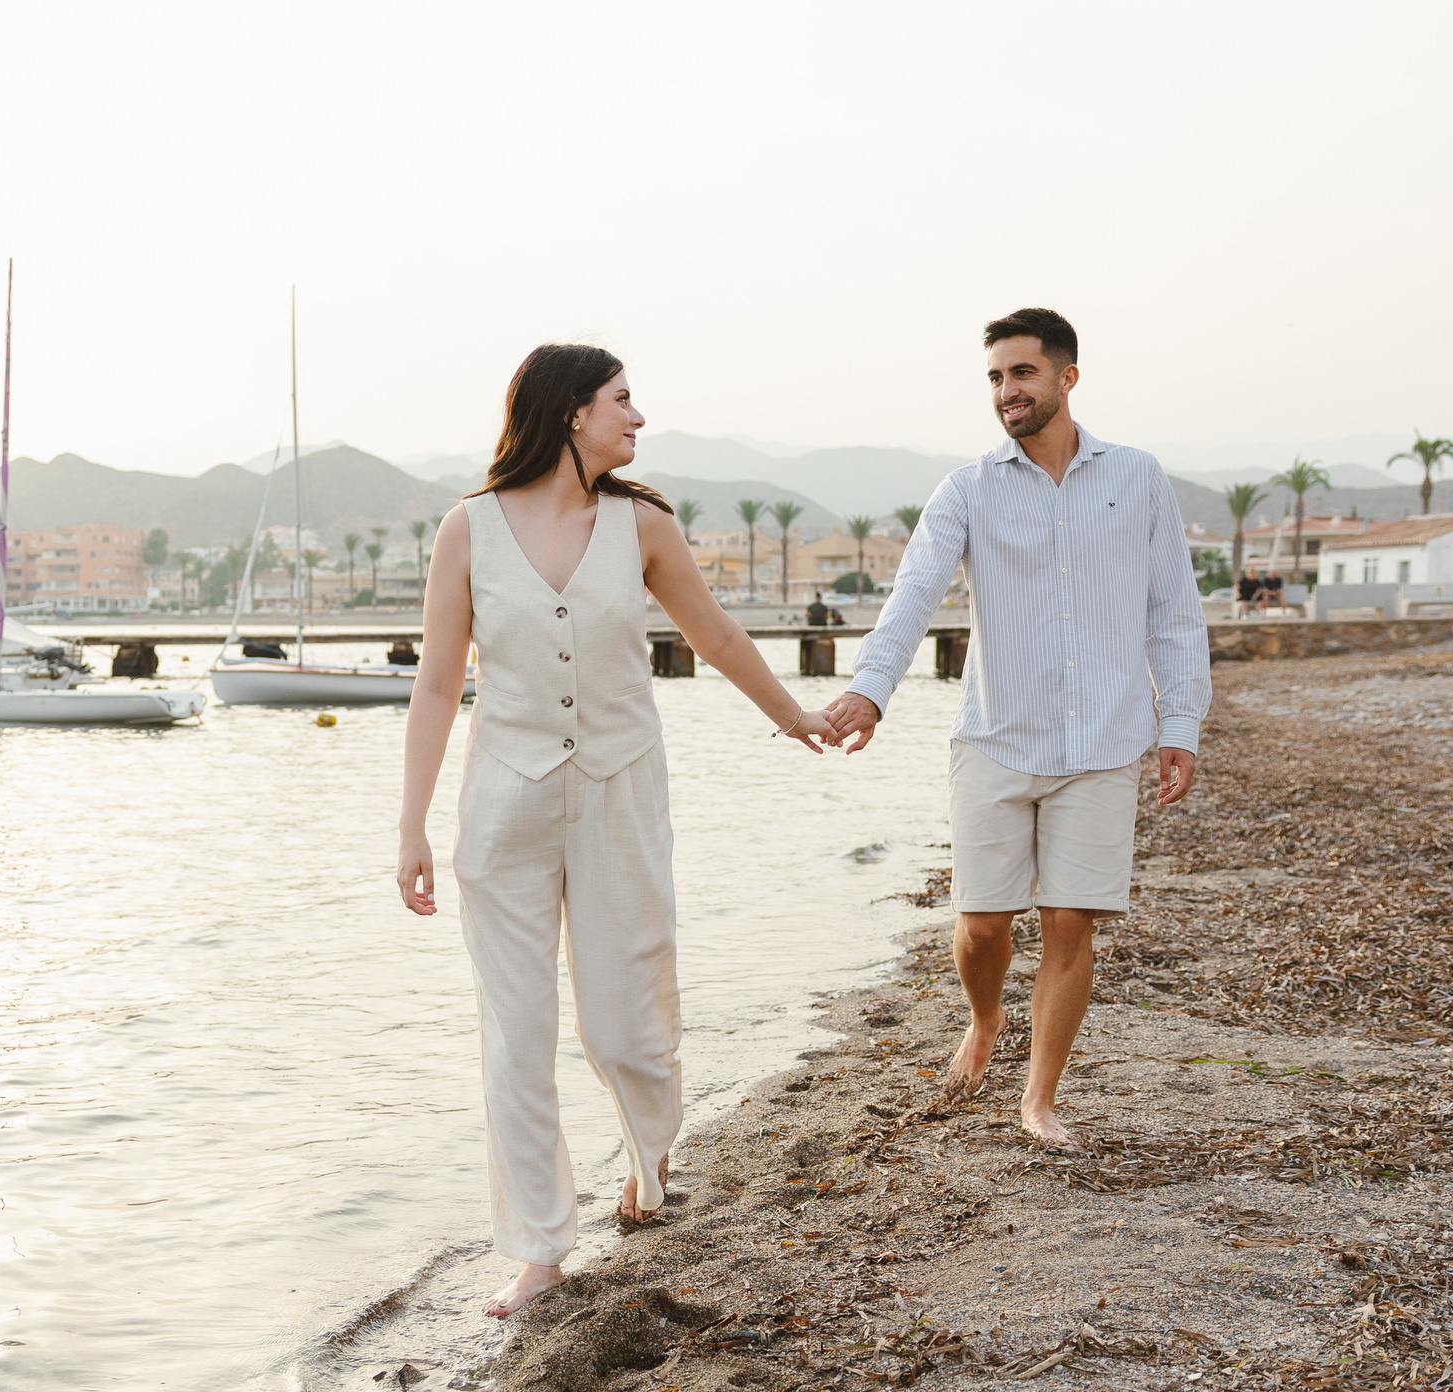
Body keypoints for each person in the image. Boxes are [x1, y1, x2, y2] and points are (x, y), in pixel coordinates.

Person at [398, 345, 839, 1317]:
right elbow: (436, 684)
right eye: (621, 401)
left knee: (623, 1020)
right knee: (514, 1037)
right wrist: (411, 827)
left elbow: (715, 637)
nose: (636, 419)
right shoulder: (466, 530)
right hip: (502, 809)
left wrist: (791, 715)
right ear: (568, 415)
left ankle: (649, 1154)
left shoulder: (640, 525)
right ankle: (540, 1251)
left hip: (618, 791)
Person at [821, 307, 1209, 1153]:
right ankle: (987, 1015)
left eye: (1022, 374)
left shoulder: (1137, 478)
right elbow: (915, 593)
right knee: (984, 923)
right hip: (996, 737)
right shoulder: (966, 490)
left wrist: (1180, 722)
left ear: (1067, 377)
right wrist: (870, 691)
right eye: (996, 377)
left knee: (1071, 922)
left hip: (1106, 742)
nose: (1007, 392)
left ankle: (1039, 1097)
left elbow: (1174, 612)